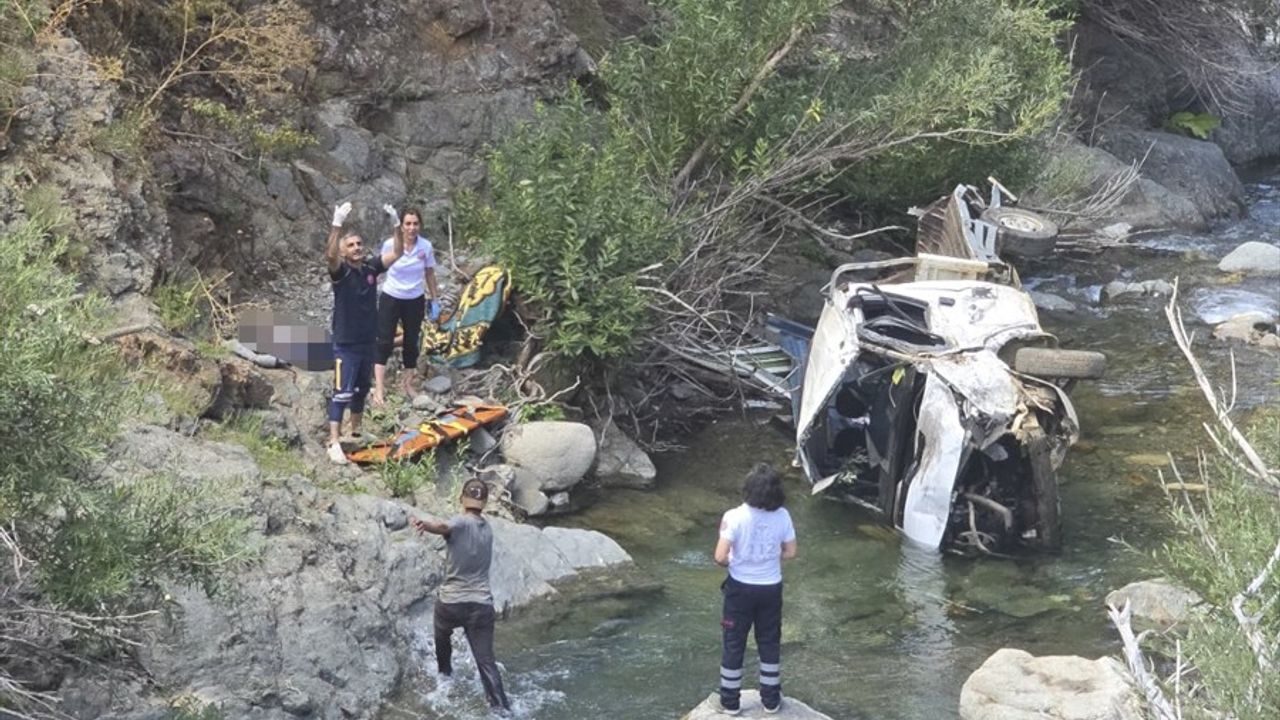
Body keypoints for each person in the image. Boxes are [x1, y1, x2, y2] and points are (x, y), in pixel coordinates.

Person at [413, 479, 512, 714]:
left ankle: (445, 677)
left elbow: (443, 526)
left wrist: (425, 525)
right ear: (484, 502)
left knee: (442, 635)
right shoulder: (487, 530)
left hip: (451, 604)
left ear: (461, 498)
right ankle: (502, 709)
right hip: (481, 606)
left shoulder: (460, 521)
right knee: (486, 661)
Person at [713, 463, 798, 715]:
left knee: (734, 642)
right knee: (769, 641)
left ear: (748, 489)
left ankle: (729, 701)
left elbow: (720, 556)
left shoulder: (734, 516)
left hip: (739, 589)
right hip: (770, 588)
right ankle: (771, 700)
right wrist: (769, 558)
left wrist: (737, 562)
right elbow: (791, 552)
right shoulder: (782, 515)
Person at [324, 201, 403, 464]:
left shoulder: (370, 268)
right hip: (345, 343)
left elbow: (398, 252)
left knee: (360, 390)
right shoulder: (341, 273)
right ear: (344, 251)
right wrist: (337, 224)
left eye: (359, 244)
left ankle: (356, 431)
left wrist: (396, 225)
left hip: (367, 341)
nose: (357, 247)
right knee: (341, 392)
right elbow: (330, 257)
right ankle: (334, 441)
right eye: (351, 245)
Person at [372, 205, 441, 406]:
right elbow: (379, 268)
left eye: (415, 224)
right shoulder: (390, 244)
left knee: (411, 342)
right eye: (408, 224)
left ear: (420, 225)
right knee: (384, 341)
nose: (412, 228)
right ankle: (379, 387)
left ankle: (408, 384)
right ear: (401, 226)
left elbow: (429, 273)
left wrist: (435, 300)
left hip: (415, 298)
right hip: (391, 296)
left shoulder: (425, 246)